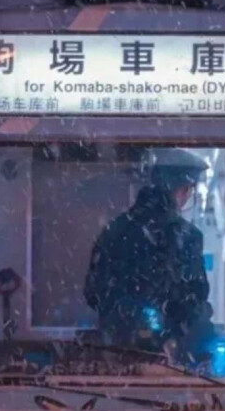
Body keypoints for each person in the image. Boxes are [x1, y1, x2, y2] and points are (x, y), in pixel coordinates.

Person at [84, 150, 212, 356]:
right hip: (172, 357)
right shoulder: (187, 236)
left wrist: (124, 320)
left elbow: (93, 293)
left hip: (116, 353)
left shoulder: (115, 230)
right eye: (189, 191)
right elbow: (195, 297)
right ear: (183, 190)